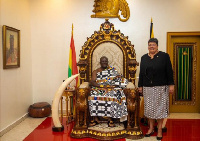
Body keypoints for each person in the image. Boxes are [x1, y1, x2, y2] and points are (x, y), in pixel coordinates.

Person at [138, 38, 174, 140]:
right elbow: (141, 73)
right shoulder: (144, 58)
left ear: (157, 46)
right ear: (148, 46)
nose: (151, 46)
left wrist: (171, 85)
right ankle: (150, 128)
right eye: (150, 45)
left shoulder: (164, 56)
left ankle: (159, 130)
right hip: (147, 88)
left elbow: (169, 71)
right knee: (149, 109)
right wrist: (140, 86)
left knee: (160, 110)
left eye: (153, 45)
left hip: (161, 87)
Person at [88, 56, 128, 127]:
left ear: (107, 62)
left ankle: (111, 119)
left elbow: (118, 78)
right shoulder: (96, 71)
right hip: (99, 88)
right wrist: (102, 86)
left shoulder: (112, 70)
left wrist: (116, 81)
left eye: (106, 61)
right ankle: (95, 119)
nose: (104, 63)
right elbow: (92, 82)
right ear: (100, 62)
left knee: (113, 95)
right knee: (92, 95)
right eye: (103, 61)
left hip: (111, 88)